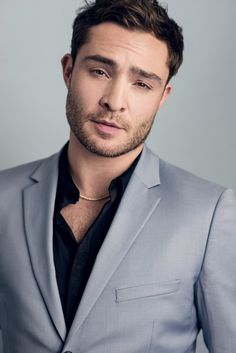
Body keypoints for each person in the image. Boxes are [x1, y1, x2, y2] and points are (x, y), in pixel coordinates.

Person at [0, 0, 235, 352]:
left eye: (142, 83)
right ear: (68, 70)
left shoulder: (210, 213)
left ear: (162, 97)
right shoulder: (3, 196)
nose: (115, 101)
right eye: (100, 72)